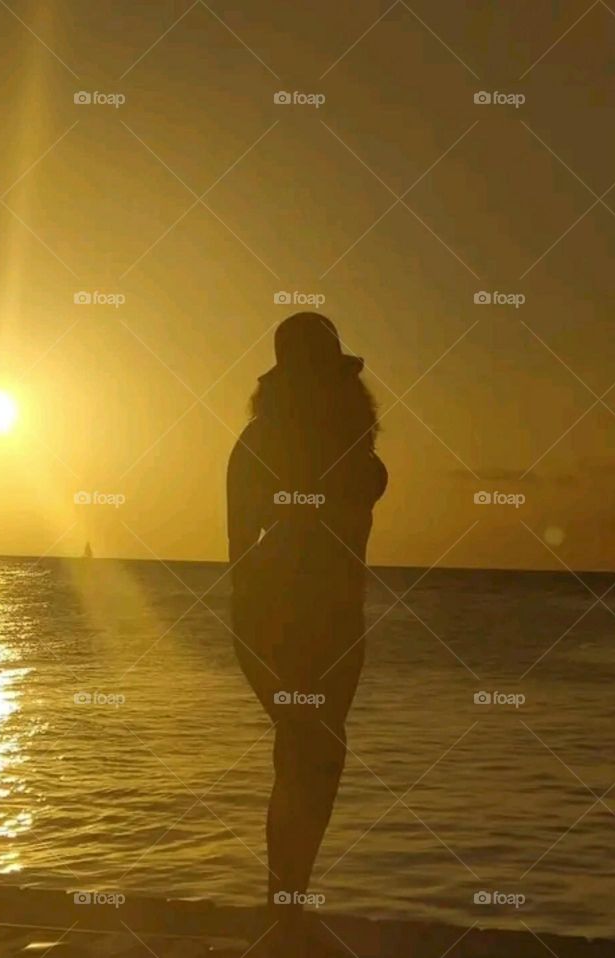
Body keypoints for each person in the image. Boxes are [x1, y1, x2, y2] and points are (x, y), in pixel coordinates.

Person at [227, 313, 388, 957]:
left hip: (340, 612)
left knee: (318, 758)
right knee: (303, 753)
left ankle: (289, 906)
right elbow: (240, 546)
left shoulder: (346, 437)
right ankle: (284, 915)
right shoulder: (263, 442)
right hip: (281, 614)